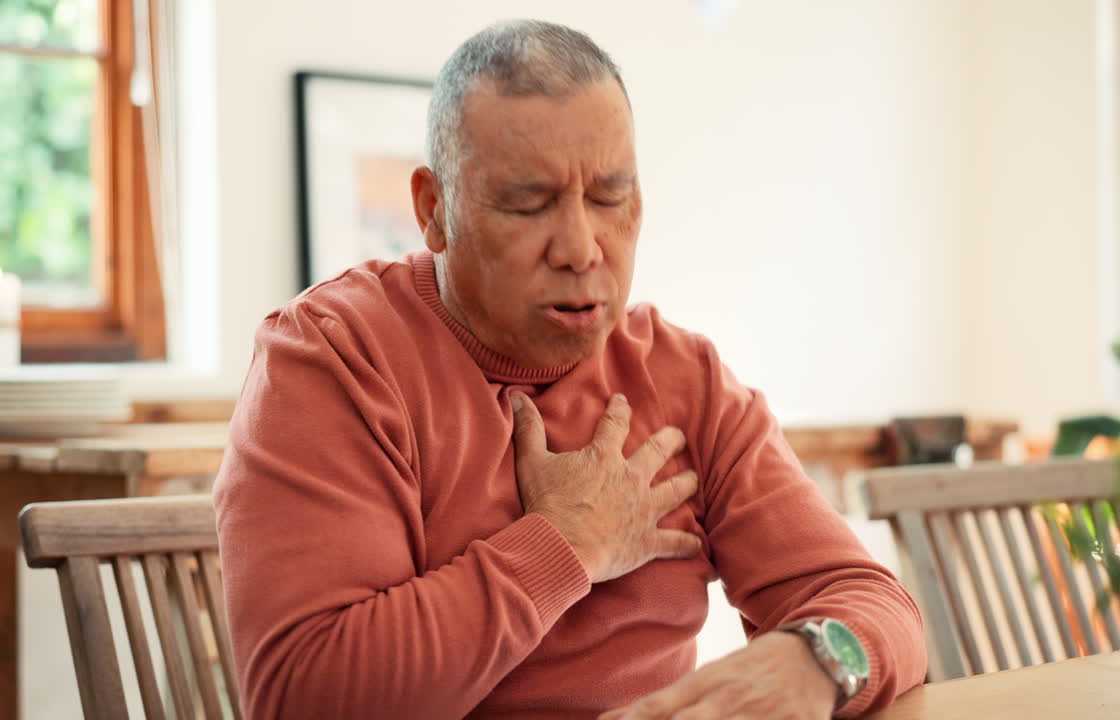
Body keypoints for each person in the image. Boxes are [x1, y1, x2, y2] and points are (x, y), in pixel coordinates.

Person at [214, 19, 927, 720]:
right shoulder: (332, 358)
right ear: (434, 211)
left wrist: (820, 660)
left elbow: (871, 603)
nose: (582, 247)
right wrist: (567, 545)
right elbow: (302, 694)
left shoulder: (684, 376)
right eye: (530, 204)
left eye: (610, 197)